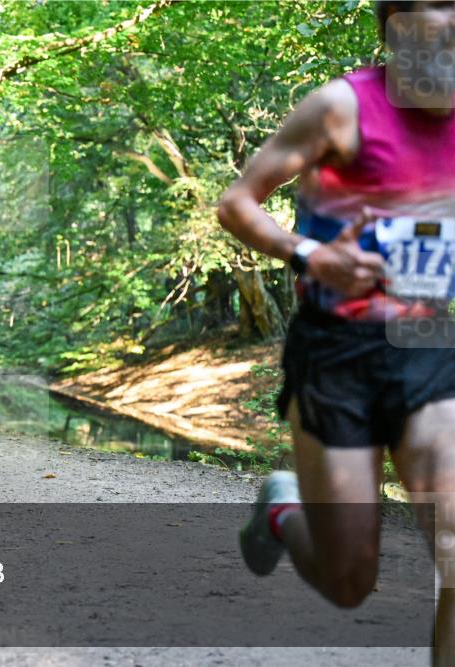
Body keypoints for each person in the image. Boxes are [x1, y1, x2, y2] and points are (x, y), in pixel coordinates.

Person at [218, 2, 455, 663]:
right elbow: (237, 204)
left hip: (426, 349)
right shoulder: (340, 107)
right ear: (398, 23)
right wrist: (312, 256)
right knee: (350, 579)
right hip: (336, 356)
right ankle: (282, 509)